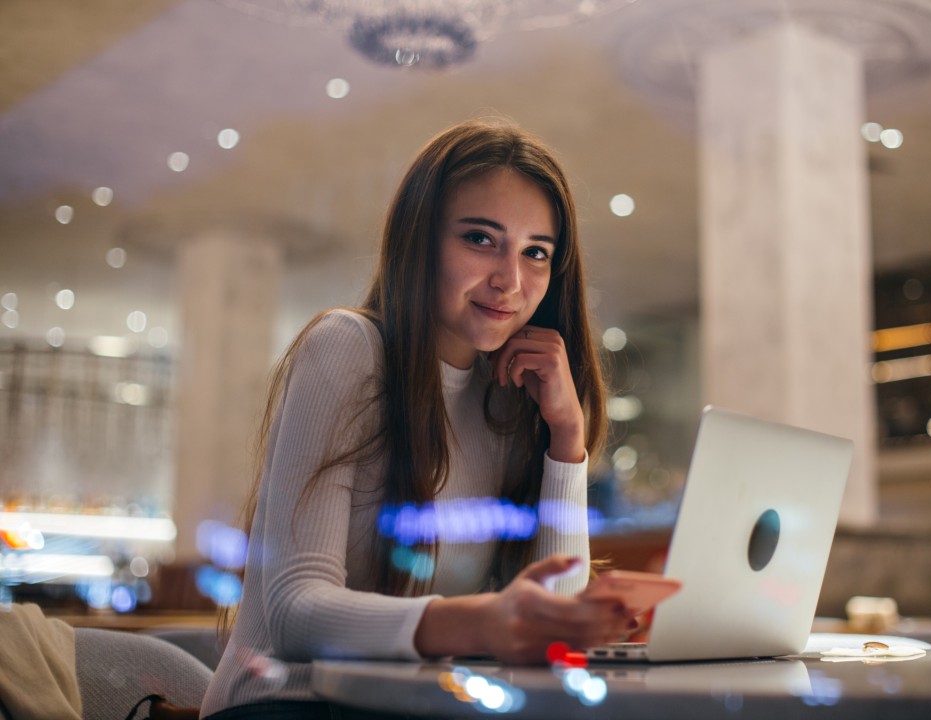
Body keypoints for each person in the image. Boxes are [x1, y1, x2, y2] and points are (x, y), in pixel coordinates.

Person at [200, 118, 633, 719]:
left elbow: (550, 622)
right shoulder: (346, 347)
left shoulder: (512, 399)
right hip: (286, 704)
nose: (510, 279)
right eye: (481, 239)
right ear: (420, 240)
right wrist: (480, 622)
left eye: (537, 252)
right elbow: (297, 613)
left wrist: (566, 440)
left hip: (410, 707)